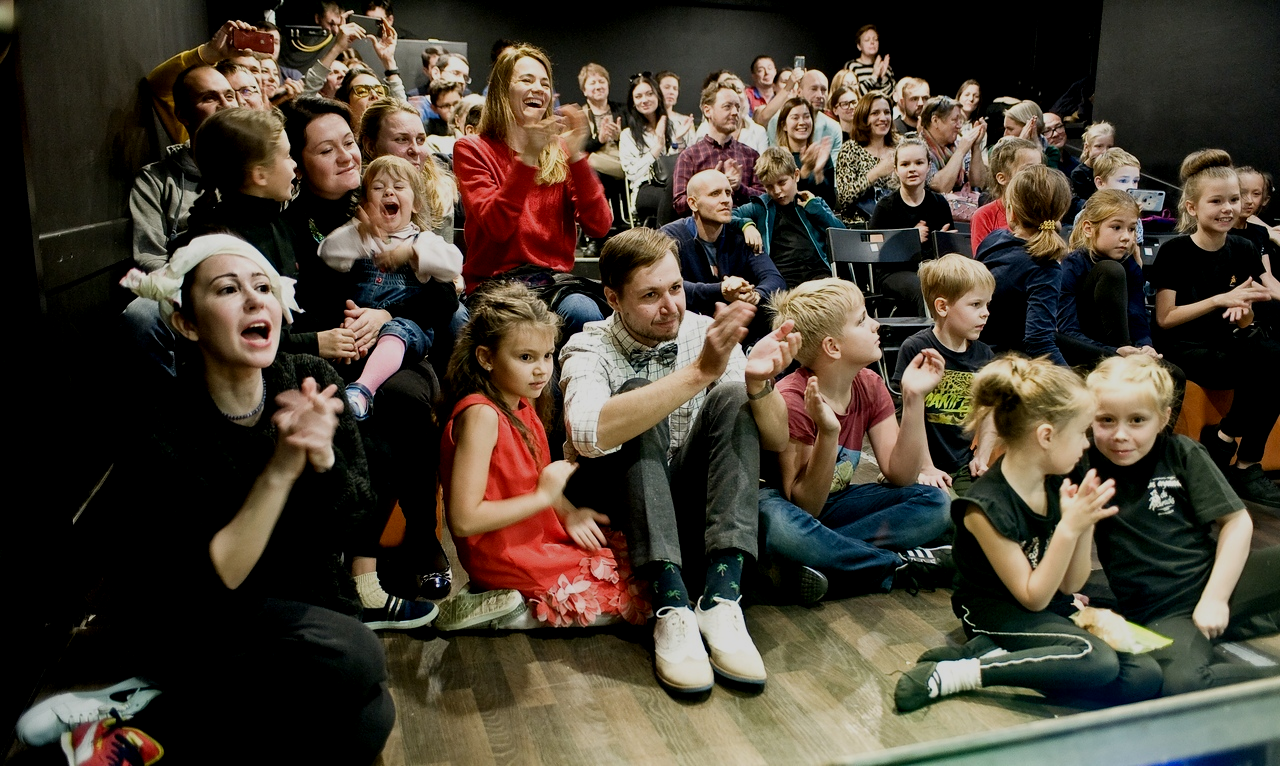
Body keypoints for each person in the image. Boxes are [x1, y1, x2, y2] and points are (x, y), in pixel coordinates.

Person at [105, 234, 409, 762]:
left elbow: (353, 517)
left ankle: (151, 721)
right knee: (358, 659)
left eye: (264, 286)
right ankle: (151, 708)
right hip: (202, 617)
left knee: (371, 712)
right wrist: (283, 466)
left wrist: (324, 461)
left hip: (302, 607)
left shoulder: (310, 378)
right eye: (227, 289)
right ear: (187, 322)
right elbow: (219, 574)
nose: (253, 299)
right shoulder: (166, 423)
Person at [559, 228, 800, 694]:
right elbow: (588, 435)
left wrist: (758, 384)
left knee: (733, 394)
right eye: (650, 295)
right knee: (634, 396)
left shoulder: (701, 333)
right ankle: (671, 607)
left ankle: (721, 600)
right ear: (612, 297)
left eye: (675, 288)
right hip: (621, 504)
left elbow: (776, 438)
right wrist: (699, 373)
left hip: (687, 503)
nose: (671, 305)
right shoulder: (588, 346)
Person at [896, 355, 1164, 713]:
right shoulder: (984, 507)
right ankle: (959, 673)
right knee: (1095, 659)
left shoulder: (1058, 479)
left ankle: (1002, 653)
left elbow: (1071, 585)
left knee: (1144, 677)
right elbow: (1031, 597)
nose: (1086, 445)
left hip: (1049, 606)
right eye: (1081, 434)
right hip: (999, 613)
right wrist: (1068, 529)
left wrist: (1082, 525)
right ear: (1047, 436)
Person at [440, 283, 650, 628]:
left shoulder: (522, 403)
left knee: (632, 566)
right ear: (485, 357)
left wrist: (568, 515)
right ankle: (514, 609)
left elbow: (534, 483)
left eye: (547, 355)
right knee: (630, 601)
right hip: (503, 554)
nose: (541, 369)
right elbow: (464, 519)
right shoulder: (481, 415)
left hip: (533, 537)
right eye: (525, 357)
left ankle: (513, 602)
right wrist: (543, 498)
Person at [1085, 355, 1280, 695]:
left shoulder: (1181, 453)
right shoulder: (1084, 466)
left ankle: (1239, 617)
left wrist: (1215, 599)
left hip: (1223, 582)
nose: (1120, 435)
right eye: (1106, 420)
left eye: (1136, 421)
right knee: (1179, 684)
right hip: (1165, 611)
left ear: (1162, 419)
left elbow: (1237, 523)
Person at [758, 278, 952, 600]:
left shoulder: (870, 384)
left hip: (835, 511)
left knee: (937, 503)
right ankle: (900, 567)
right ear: (833, 347)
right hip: (794, 510)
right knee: (778, 525)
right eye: (862, 320)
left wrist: (914, 398)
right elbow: (805, 504)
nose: (876, 324)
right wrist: (828, 432)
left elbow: (900, 474)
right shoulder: (793, 398)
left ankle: (818, 560)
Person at [453, 43, 613, 336]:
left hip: (552, 284)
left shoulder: (560, 151)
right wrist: (528, 158)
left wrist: (577, 156)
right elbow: (497, 226)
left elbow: (600, 225)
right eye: (526, 80)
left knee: (585, 312)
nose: (538, 88)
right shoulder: (472, 148)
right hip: (495, 287)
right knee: (517, 330)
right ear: (503, 90)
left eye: (544, 83)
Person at [1150, 149, 1280, 507]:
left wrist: (1244, 314)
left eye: (1234, 200)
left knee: (1274, 356)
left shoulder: (1243, 247)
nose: (1228, 208)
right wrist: (1219, 300)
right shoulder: (1175, 252)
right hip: (1184, 347)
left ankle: (1236, 450)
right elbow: (1165, 318)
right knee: (1264, 363)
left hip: (1229, 342)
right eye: (1217, 201)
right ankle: (1228, 448)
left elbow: (1248, 314)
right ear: (1192, 208)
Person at [318, 156, 463, 419]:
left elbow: (453, 264)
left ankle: (363, 390)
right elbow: (328, 254)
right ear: (365, 202)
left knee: (397, 330)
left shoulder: (423, 240)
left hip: (408, 332)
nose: (388, 191)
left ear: (416, 204)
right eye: (378, 187)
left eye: (399, 186)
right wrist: (357, 230)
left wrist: (410, 252)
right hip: (359, 327)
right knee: (347, 329)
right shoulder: (360, 238)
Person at [892, 255, 997, 497]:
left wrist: (981, 456)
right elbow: (907, 412)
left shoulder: (984, 353)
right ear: (942, 307)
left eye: (987, 305)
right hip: (918, 463)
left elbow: (991, 409)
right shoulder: (917, 348)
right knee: (943, 512)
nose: (985, 313)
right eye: (975, 305)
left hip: (961, 465)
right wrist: (925, 467)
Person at [661, 169, 785, 339]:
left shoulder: (742, 235)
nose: (725, 200)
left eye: (728, 193)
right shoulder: (670, 237)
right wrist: (720, 291)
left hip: (741, 330)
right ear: (693, 203)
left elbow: (775, 279)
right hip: (687, 333)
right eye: (715, 194)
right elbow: (668, 287)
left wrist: (755, 295)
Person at [1057, 190, 1172, 372]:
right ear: (1088, 228)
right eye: (1117, 227)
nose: (1127, 236)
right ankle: (1125, 369)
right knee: (1111, 271)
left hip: (1125, 352)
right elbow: (1067, 331)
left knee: (1176, 375)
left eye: (1131, 229)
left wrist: (1145, 345)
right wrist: (1116, 351)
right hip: (1087, 350)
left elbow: (1137, 316)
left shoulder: (1130, 264)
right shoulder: (1073, 264)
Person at [975, 165, 1073, 365]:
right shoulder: (1045, 266)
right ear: (1060, 213)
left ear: (1012, 213)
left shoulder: (993, 240)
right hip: (1007, 366)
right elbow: (1038, 341)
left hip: (974, 351)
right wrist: (1074, 389)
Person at [733, 147, 846, 289]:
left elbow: (841, 234)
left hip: (817, 272)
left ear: (796, 175)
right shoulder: (761, 206)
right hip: (782, 276)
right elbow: (730, 215)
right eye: (769, 186)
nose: (777, 192)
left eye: (782, 183)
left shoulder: (813, 203)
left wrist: (814, 208)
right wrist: (746, 225)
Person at [868, 136, 954, 315]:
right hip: (893, 273)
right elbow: (875, 252)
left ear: (928, 166)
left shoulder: (939, 203)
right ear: (896, 170)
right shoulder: (885, 207)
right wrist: (910, 239)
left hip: (933, 269)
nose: (912, 169)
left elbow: (946, 251)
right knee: (923, 287)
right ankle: (927, 339)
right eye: (905, 164)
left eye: (919, 163)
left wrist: (945, 242)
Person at [672, 81, 765, 216]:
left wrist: (739, 188)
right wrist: (709, 188)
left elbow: (764, 201)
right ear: (708, 110)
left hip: (744, 231)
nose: (735, 112)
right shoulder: (690, 156)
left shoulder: (751, 155)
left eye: (737, 107)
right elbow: (679, 205)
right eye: (727, 107)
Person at [619, 73, 682, 218]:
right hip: (644, 188)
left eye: (649, 94)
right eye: (638, 96)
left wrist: (678, 140)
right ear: (633, 102)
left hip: (674, 185)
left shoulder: (673, 126)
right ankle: (666, 239)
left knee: (687, 196)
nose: (645, 100)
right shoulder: (628, 135)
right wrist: (657, 147)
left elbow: (682, 164)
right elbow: (632, 174)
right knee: (671, 199)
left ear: (658, 97)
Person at [833, 93, 897, 226]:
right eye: (875, 113)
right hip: (861, 227)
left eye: (887, 112)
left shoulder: (900, 148)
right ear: (864, 117)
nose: (883, 118)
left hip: (898, 223)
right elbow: (844, 198)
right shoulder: (850, 150)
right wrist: (876, 172)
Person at [970, 137, 1042, 249]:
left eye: (1040, 168)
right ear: (1002, 178)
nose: (1037, 175)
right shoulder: (984, 216)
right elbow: (981, 262)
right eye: (1028, 170)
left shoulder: (1044, 208)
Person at [1072, 148, 1146, 244]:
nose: (1131, 187)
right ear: (1100, 183)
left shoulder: (1135, 219)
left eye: (1135, 181)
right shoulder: (1085, 216)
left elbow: (1135, 251)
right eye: (1123, 181)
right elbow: (1077, 249)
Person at [919, 96, 987, 198]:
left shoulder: (958, 144)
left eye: (960, 121)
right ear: (935, 121)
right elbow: (941, 187)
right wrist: (960, 152)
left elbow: (979, 184)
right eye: (954, 120)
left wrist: (975, 147)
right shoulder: (918, 149)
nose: (959, 126)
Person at [773, 97, 836, 207]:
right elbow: (786, 201)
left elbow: (830, 202)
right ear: (784, 125)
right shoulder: (777, 157)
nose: (802, 122)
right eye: (795, 118)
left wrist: (818, 172)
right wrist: (805, 170)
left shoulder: (821, 155)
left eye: (807, 117)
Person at [844, 25, 895, 99]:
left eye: (875, 39)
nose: (872, 42)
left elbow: (891, 97)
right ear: (859, 46)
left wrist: (882, 78)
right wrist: (874, 77)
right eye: (867, 40)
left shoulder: (886, 67)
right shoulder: (852, 66)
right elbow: (853, 96)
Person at [1069, 122, 1116, 202]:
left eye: (1109, 147)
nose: (1105, 151)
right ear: (1087, 147)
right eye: (1099, 146)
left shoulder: (1115, 170)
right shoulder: (1079, 174)